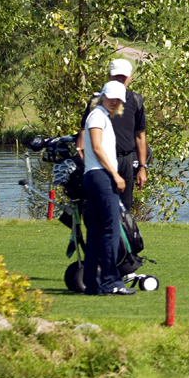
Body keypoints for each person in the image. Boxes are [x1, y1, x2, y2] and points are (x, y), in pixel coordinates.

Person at [81, 80, 135, 295]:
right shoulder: (97, 116)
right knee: (110, 230)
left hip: (94, 177)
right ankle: (111, 281)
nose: (114, 102)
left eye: (118, 99)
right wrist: (115, 175)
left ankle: (92, 285)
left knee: (95, 231)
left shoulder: (102, 117)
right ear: (103, 95)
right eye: (111, 97)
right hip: (100, 176)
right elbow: (95, 147)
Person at [77, 59, 148, 212]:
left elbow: (140, 135)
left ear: (130, 77)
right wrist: (81, 156)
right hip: (101, 160)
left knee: (125, 208)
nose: (120, 80)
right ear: (109, 76)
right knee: (101, 208)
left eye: (124, 77)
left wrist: (142, 167)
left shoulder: (136, 100)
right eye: (117, 76)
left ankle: (119, 236)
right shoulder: (99, 101)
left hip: (126, 160)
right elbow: (84, 131)